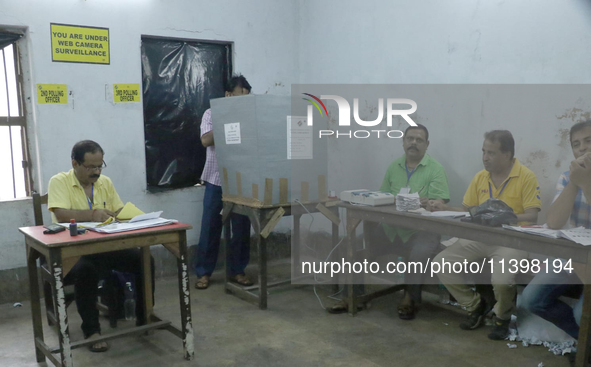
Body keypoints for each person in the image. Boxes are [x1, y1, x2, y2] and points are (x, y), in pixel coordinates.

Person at [329, 124, 450, 320]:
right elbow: (382, 197)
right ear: (403, 142)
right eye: (410, 139)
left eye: (419, 140)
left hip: (421, 231)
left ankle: (411, 298)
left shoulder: (435, 169)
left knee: (419, 254)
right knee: (357, 244)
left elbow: (440, 203)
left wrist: (431, 204)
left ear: (427, 144)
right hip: (391, 229)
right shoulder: (394, 166)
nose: (413, 143)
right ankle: (352, 296)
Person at [431, 130, 542, 340]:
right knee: (441, 263)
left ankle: (502, 317)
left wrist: (504, 217)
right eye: (483, 151)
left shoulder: (526, 176)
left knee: (502, 279)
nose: (485, 157)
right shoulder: (480, 177)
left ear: (507, 154)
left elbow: (532, 216)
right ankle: (476, 305)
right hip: (479, 238)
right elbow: (467, 210)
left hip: (512, 241)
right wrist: (443, 207)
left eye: (491, 153)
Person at [48, 140, 155, 353]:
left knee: (143, 260)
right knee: (86, 270)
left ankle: (144, 317)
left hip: (104, 246)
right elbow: (60, 214)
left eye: (100, 166)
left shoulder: (105, 182)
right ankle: (92, 330)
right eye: (90, 167)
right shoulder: (59, 181)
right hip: (72, 251)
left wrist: (126, 217)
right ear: (75, 163)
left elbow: (118, 210)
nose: (96, 172)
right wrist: (93, 214)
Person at [520, 121, 591, 366]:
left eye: (588, 141)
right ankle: (585, 344)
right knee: (532, 299)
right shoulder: (568, 176)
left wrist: (586, 183)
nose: (582, 149)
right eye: (576, 144)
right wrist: (574, 182)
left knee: (584, 314)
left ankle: (585, 346)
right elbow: (554, 222)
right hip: (574, 255)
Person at [194, 75, 253, 290]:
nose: (244, 102)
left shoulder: (250, 117)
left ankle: (237, 270)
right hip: (216, 180)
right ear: (228, 95)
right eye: (240, 96)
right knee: (210, 227)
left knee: (241, 227)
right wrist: (229, 120)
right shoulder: (211, 114)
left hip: (240, 180)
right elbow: (206, 140)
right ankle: (204, 273)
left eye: (247, 97)